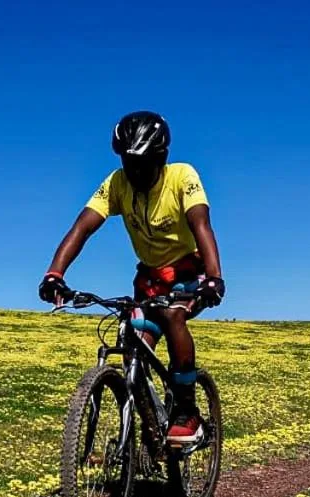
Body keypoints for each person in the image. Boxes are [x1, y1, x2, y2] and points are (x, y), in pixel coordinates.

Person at [37, 111, 225, 445]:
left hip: (188, 274)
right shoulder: (116, 183)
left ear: (161, 158)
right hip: (149, 280)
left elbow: (201, 225)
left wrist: (214, 277)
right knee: (132, 345)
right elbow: (82, 228)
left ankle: (187, 412)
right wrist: (55, 274)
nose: (134, 171)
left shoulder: (182, 176)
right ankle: (151, 431)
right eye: (128, 163)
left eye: (142, 164)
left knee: (172, 316)